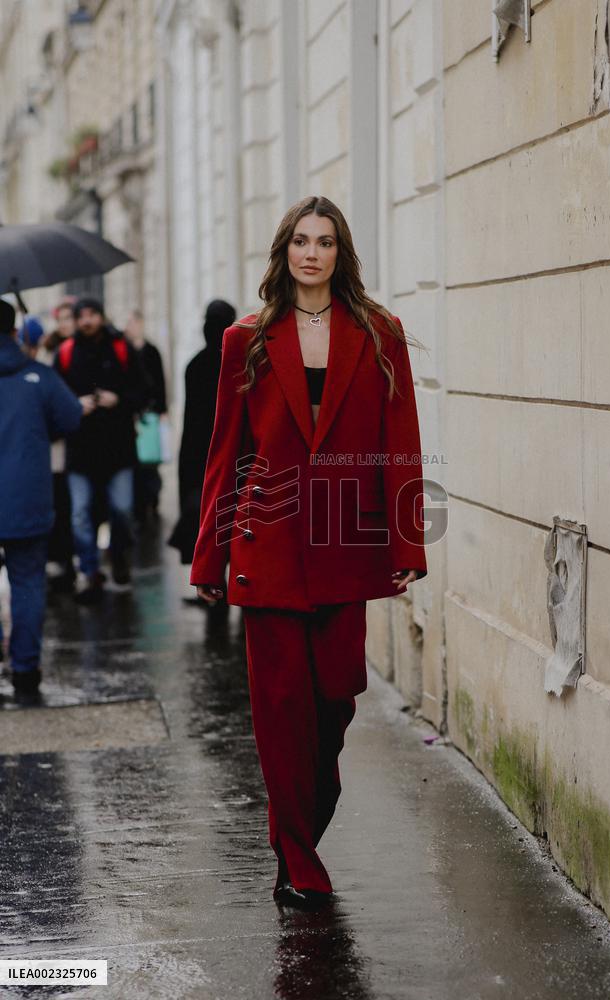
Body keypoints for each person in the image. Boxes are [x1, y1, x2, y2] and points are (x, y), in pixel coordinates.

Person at [190, 195, 428, 910]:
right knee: (278, 707)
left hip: (345, 544)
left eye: (325, 241)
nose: (312, 252)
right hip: (267, 544)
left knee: (333, 703)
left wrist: (407, 538)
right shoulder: (247, 340)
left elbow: (402, 442)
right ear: (284, 250)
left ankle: (302, 820)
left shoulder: (380, 332)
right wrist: (209, 558)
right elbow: (223, 456)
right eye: (300, 240)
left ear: (340, 253)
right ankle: (297, 859)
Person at [0, 299, 81, 700]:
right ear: (14, 331)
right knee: (28, 582)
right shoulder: (37, 374)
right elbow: (69, 418)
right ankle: (25, 669)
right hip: (27, 498)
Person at [53, 297, 148, 603]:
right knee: (80, 515)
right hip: (80, 452)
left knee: (121, 509)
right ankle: (90, 571)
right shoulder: (66, 353)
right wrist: (74, 406)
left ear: (102, 317)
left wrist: (117, 399)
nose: (86, 321)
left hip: (118, 449)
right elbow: (53, 400)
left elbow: (145, 390)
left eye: (92, 315)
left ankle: (118, 555)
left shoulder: (121, 348)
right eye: (82, 316)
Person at [168, 299, 237, 569]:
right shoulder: (241, 361)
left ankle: (215, 585)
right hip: (230, 455)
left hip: (204, 457)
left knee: (210, 522)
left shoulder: (197, 365)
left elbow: (191, 425)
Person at [38, 298, 78, 592]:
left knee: (73, 504)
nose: (66, 323)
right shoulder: (50, 352)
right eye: (61, 318)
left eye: (70, 317)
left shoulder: (81, 349)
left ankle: (70, 559)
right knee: (60, 502)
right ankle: (62, 559)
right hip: (55, 443)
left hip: (79, 441)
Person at [125, 308, 168, 523]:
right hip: (134, 414)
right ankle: (141, 504)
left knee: (151, 460)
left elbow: (160, 382)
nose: (129, 327)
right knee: (137, 462)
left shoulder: (151, 351)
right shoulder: (126, 350)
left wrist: (163, 411)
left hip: (150, 413)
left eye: (132, 322)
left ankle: (152, 498)